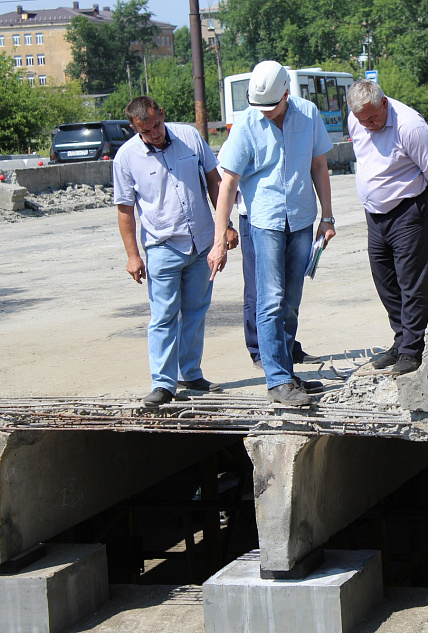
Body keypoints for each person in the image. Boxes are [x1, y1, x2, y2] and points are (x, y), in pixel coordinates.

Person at [208, 61, 335, 406]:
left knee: (291, 302)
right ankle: (277, 380)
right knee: (270, 300)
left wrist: (328, 216)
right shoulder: (246, 125)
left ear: (286, 95)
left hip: (301, 219)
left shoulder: (307, 113)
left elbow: (319, 165)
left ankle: (287, 372)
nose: (265, 113)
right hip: (263, 221)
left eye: (272, 106)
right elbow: (228, 183)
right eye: (259, 107)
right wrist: (220, 238)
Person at [113, 96, 236, 408]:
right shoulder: (126, 158)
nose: (155, 133)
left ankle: (191, 373)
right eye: (146, 130)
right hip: (162, 247)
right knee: (164, 316)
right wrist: (132, 255)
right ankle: (163, 384)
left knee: (196, 310)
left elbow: (214, 181)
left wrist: (226, 227)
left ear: (162, 114)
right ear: (134, 128)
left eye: (157, 125)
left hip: (202, 243)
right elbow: (125, 210)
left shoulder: (190, 137)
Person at [346, 80, 428, 376]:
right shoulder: (359, 121)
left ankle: (412, 350)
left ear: (384, 104)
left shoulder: (410, 126)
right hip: (374, 215)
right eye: (360, 120)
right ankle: (401, 339)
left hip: (407, 211)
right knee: (385, 281)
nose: (367, 124)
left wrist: (408, 195)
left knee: (411, 283)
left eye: (372, 118)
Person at [217, 142, 323, 381]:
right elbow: (224, 182)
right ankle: (262, 353)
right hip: (256, 220)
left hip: (292, 219)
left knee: (288, 296)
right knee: (263, 294)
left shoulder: (296, 126)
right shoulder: (245, 132)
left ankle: (285, 354)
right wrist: (225, 229)